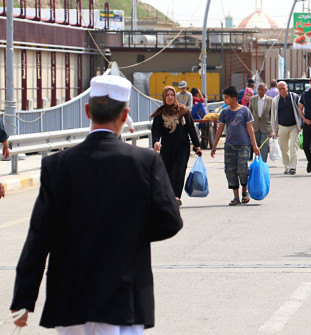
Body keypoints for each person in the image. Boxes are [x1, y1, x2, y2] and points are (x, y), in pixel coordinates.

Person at [9, 75, 183, 333]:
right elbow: (170, 220)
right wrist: (128, 233)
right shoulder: (145, 162)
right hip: (126, 296)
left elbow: (39, 235)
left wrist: (24, 298)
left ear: (88, 111)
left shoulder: (57, 166)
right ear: (125, 116)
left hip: (71, 295)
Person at [151, 86, 202, 206]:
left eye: (172, 95)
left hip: (182, 148)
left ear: (175, 96)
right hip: (166, 148)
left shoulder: (183, 111)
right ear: (164, 97)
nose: (170, 97)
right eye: (167, 95)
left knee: (179, 171)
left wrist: (197, 146)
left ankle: (176, 196)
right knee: (167, 172)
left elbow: (191, 130)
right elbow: (156, 130)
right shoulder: (160, 113)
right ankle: (168, 196)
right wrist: (156, 142)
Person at [211, 86, 261, 205]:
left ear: (234, 99)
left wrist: (255, 146)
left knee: (242, 169)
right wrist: (214, 146)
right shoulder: (225, 112)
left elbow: (250, 129)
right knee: (230, 170)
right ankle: (236, 197)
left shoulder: (244, 111)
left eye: (227, 98)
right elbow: (220, 129)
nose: (225, 100)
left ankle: (245, 192)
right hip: (229, 146)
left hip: (244, 145)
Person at [271, 81, 302, 175]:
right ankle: (287, 166)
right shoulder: (275, 100)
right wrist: (274, 129)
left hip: (294, 126)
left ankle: (293, 167)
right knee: (284, 148)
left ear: (287, 88)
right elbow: (273, 115)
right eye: (279, 89)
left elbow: (301, 110)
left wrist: (301, 124)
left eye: (283, 88)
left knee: (293, 146)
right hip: (281, 127)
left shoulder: (295, 97)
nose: (282, 90)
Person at [249, 83, 274, 162]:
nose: (260, 91)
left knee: (265, 146)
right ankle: (258, 160)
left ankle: (263, 162)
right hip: (255, 126)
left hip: (266, 127)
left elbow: (272, 116)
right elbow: (249, 113)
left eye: (262, 89)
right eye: (259, 89)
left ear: (266, 90)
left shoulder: (270, 100)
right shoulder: (252, 99)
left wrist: (272, 130)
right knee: (257, 145)